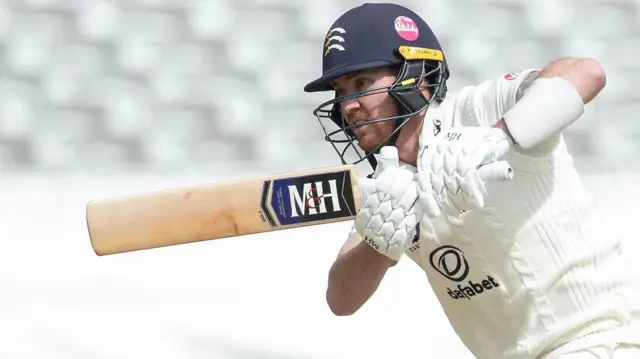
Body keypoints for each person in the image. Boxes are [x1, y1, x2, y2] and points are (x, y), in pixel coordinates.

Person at [303, 3, 640, 359]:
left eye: (361, 83)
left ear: (415, 75)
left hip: (603, 341)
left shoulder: (481, 110)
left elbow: (587, 72)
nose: (347, 105)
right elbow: (340, 299)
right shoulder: (391, 184)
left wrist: (499, 138)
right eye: (340, 92)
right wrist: (377, 237)